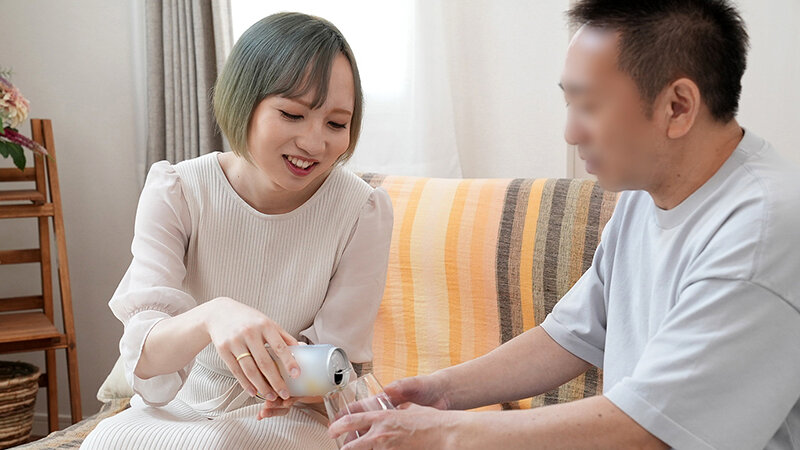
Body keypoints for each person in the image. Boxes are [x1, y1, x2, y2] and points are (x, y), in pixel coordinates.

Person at [329, 1, 800, 448]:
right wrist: (441, 392)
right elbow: (571, 335)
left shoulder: (763, 231)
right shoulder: (645, 191)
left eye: (589, 106)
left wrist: (441, 433)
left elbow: (649, 432)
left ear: (677, 107)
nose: (571, 133)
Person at [83, 12, 393, 449]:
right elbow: (144, 357)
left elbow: (337, 366)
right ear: (243, 101)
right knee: (106, 441)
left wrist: (288, 378)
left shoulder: (362, 211)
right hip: (181, 408)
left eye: (336, 124)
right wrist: (214, 316)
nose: (314, 143)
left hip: (293, 413)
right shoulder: (177, 191)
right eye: (292, 114)